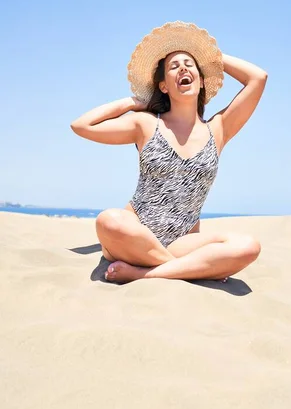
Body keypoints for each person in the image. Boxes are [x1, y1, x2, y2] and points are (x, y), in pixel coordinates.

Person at [70, 21, 267, 283]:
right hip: (133, 235)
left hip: (184, 242)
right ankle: (193, 269)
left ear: (200, 78)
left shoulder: (218, 130)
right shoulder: (147, 124)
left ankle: (145, 273)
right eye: (174, 67)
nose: (183, 68)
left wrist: (208, 56)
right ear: (164, 86)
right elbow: (82, 125)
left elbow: (258, 78)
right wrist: (132, 103)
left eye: (190, 64)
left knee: (248, 245)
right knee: (108, 220)